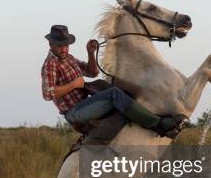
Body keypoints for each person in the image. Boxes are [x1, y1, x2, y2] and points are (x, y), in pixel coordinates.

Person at [41, 24, 186, 139]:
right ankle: (159, 125)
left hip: (85, 103)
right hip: (74, 112)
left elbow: (92, 72)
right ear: (51, 45)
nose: (64, 48)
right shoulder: (50, 64)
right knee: (114, 94)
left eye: (66, 45)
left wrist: (91, 53)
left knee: (126, 88)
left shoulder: (69, 58)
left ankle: (153, 115)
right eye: (60, 45)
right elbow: (48, 94)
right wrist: (74, 84)